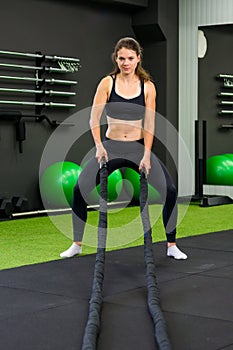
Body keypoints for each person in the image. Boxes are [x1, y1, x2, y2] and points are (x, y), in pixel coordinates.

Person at [60, 37, 187, 260]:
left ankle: (171, 244)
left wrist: (147, 154)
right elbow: (93, 119)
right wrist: (99, 147)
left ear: (138, 58)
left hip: (138, 148)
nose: (125, 63)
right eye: (121, 58)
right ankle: (77, 243)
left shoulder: (147, 87)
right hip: (111, 148)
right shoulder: (107, 83)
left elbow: (149, 123)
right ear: (116, 59)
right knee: (79, 190)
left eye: (130, 58)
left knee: (171, 190)